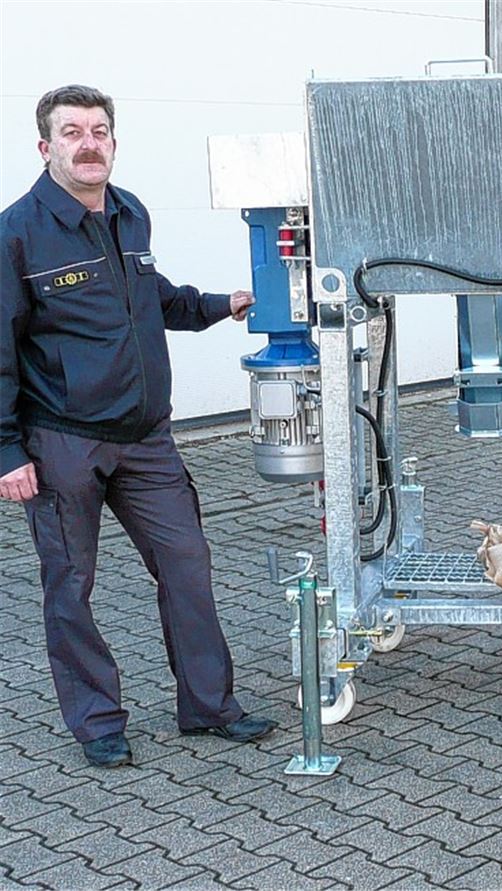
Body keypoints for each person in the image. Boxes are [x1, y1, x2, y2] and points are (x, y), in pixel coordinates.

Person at [0, 85, 277, 768]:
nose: (89, 143)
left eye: (99, 131)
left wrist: (220, 304)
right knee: (71, 583)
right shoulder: (16, 233)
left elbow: (149, 297)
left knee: (188, 564)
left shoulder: (130, 214)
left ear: (113, 143)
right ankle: (97, 719)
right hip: (64, 441)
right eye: (73, 133)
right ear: (46, 147)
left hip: (146, 437)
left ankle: (209, 706)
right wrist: (7, 449)